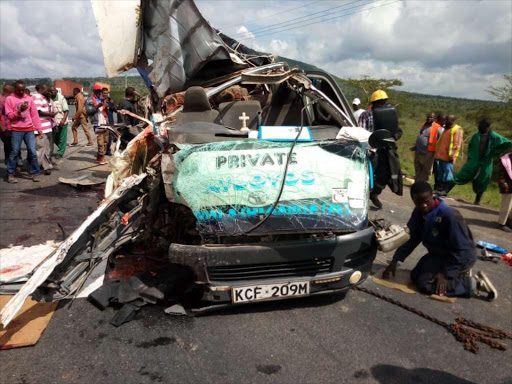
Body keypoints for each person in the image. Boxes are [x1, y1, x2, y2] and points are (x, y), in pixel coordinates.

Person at [383, 181, 497, 300]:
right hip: (439, 255)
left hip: (460, 257)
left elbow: (463, 250)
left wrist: (446, 274)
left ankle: (473, 283)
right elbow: (411, 238)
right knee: (415, 275)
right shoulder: (418, 213)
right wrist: (395, 260)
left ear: (432, 195)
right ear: (413, 200)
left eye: (426, 201)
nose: (423, 206)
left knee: (425, 284)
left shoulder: (448, 215)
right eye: (418, 202)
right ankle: (457, 275)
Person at [359, 89, 403, 209]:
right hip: (370, 149)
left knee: (385, 174)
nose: (382, 103)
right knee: (368, 175)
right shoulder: (366, 115)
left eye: (383, 101)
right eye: (379, 101)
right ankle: (362, 198)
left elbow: (395, 130)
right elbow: (362, 132)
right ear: (373, 103)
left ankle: (375, 194)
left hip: (385, 150)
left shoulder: (389, 114)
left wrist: (394, 136)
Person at [453, 118, 512, 205]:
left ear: (486, 126)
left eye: (480, 125)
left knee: (483, 180)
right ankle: (445, 190)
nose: (478, 126)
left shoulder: (494, 136)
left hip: (486, 162)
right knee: (462, 175)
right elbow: (470, 146)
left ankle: (477, 200)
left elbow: (507, 143)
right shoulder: (476, 136)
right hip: (474, 161)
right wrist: (470, 156)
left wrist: (494, 152)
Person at [4, 81, 42, 183]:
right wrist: (19, 111)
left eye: (22, 90)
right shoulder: (9, 99)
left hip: (29, 129)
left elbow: (34, 116)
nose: (21, 92)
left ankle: (35, 173)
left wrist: (39, 129)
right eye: (18, 90)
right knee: (15, 152)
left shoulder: (29, 99)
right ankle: (10, 173)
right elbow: (10, 116)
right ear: (14, 89)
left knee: (32, 152)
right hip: (16, 130)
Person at [433, 115, 463, 196]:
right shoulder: (446, 128)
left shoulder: (457, 129)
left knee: (448, 174)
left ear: (452, 120)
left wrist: (452, 156)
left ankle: (445, 191)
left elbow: (457, 145)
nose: (445, 121)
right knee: (440, 174)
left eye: (447, 120)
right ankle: (438, 189)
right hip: (440, 156)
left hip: (448, 157)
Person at [411, 112, 443, 182]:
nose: (429, 118)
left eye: (431, 117)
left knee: (427, 169)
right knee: (418, 167)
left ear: (434, 118)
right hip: (418, 150)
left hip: (429, 152)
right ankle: (417, 183)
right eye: (428, 117)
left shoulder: (438, 127)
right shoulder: (424, 125)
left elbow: (442, 139)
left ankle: (425, 184)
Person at [32, 84, 54, 175]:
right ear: (41, 89)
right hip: (40, 128)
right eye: (46, 89)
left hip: (47, 127)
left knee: (46, 149)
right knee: (40, 149)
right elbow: (38, 112)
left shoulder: (43, 97)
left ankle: (46, 166)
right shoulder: (37, 97)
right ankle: (36, 168)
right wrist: (50, 115)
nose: (48, 90)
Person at [49, 86, 69, 160]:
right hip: (53, 123)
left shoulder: (61, 98)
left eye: (53, 91)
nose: (52, 92)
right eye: (50, 91)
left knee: (62, 138)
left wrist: (63, 120)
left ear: (56, 91)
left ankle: (60, 152)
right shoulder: (48, 99)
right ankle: (60, 148)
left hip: (62, 121)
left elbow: (66, 111)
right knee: (54, 139)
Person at [90, 85, 109, 164]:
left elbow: (107, 109)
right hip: (97, 123)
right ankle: (100, 158)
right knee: (100, 142)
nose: (98, 92)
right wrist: (101, 103)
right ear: (94, 91)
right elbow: (92, 110)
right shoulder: (91, 100)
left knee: (105, 141)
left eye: (99, 91)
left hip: (105, 122)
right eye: (96, 91)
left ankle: (101, 157)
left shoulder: (103, 99)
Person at [497, 153, 512, 233]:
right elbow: (501, 175)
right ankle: (501, 223)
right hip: (508, 186)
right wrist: (503, 184)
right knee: (506, 206)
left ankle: (508, 222)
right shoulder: (505, 159)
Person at [1, 84, 14, 164]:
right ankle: (9, 162)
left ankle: (11, 162)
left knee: (10, 146)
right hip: (6, 127)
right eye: (12, 89)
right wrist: (3, 128)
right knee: (9, 146)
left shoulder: (9, 99)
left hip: (11, 126)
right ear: (9, 90)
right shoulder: (1, 100)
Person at [102, 87, 116, 156]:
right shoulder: (100, 101)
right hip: (103, 122)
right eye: (104, 93)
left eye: (107, 93)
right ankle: (102, 151)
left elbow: (116, 110)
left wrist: (113, 103)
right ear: (102, 93)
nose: (106, 94)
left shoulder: (111, 101)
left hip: (110, 121)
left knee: (110, 137)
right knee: (102, 137)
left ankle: (108, 150)